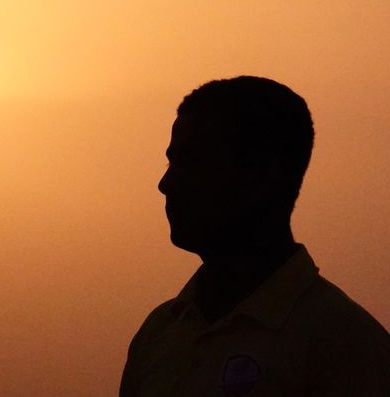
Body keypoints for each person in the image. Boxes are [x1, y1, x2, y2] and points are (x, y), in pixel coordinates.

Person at [120, 76, 390, 396]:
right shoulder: (158, 334)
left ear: (260, 175)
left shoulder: (343, 343)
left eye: (191, 162)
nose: (165, 184)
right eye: (171, 161)